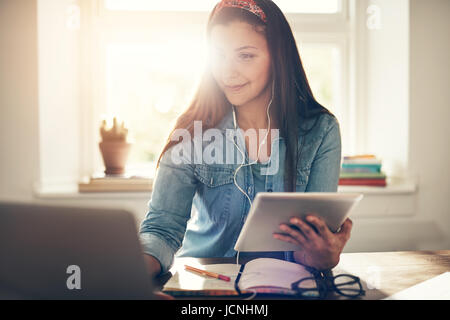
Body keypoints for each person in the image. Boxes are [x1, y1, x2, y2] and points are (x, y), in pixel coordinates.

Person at [140, 0, 353, 279]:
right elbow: (161, 230)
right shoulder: (191, 131)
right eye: (219, 55)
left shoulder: (320, 131)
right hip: (205, 284)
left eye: (246, 56)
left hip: (287, 285)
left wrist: (324, 255)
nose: (228, 72)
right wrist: (130, 274)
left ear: (278, 57)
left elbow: (315, 243)